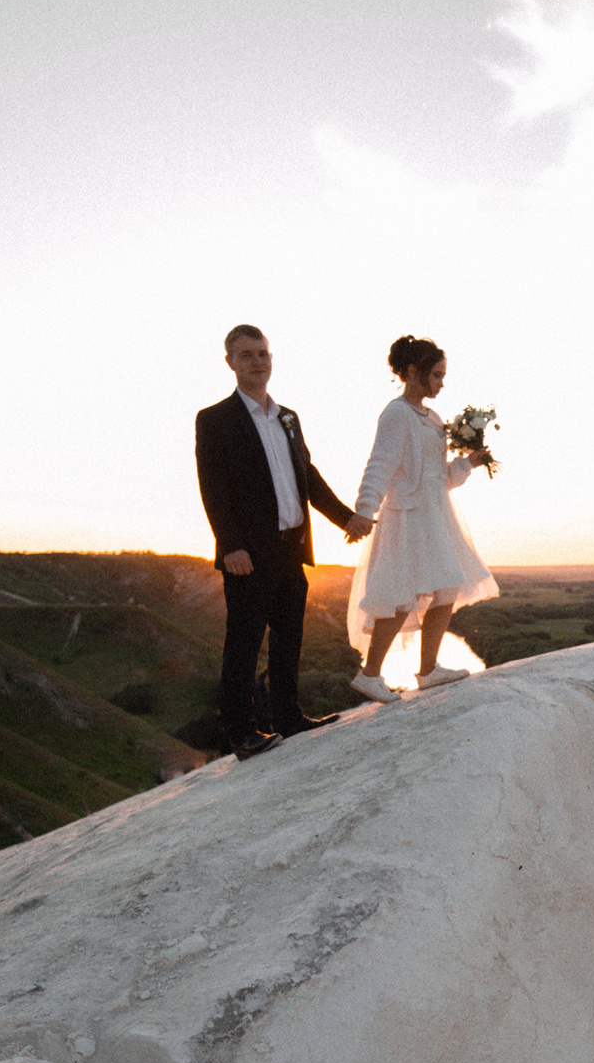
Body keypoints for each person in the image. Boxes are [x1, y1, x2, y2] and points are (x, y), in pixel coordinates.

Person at [194, 324, 371, 758]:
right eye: (247, 355)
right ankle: (241, 732)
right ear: (230, 363)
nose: (257, 361)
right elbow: (212, 487)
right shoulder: (214, 419)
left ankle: (288, 717)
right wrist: (229, 545)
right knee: (244, 642)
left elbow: (308, 476)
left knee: (289, 636)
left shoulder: (288, 417)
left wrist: (346, 517)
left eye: (263, 353)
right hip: (248, 553)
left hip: (292, 545)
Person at [345, 334, 498, 702]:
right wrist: (364, 509)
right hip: (408, 516)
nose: (441, 383)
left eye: (443, 375)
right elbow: (380, 464)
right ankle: (369, 674)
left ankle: (428, 670)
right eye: (436, 374)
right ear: (413, 371)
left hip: (436, 515)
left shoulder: (432, 418)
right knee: (402, 596)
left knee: (447, 588)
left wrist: (468, 463)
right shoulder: (397, 413)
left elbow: (439, 477)